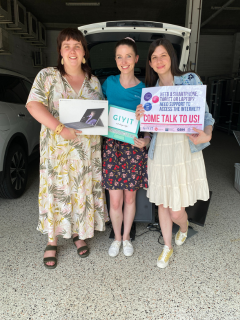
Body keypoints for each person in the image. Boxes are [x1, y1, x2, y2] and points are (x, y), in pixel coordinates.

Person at [26, 28, 108, 269]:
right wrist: (61, 129)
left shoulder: (93, 81)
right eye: (67, 46)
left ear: (84, 53)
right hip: (57, 153)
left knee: (80, 190)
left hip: (86, 153)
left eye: (77, 46)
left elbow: (99, 115)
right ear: (60, 52)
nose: (72, 50)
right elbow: (33, 105)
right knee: (57, 192)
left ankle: (78, 234)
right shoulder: (48, 76)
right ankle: (52, 240)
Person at [136, 38, 215, 268]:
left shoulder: (190, 80)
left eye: (163, 55)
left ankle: (183, 226)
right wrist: (144, 133)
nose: (159, 61)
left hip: (183, 152)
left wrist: (207, 135)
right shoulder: (150, 94)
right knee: (162, 203)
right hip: (160, 154)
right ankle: (167, 247)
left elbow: (207, 119)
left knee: (176, 210)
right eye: (154, 57)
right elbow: (151, 133)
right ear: (150, 63)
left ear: (171, 57)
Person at [102, 38, 150, 257]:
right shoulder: (108, 84)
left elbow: (151, 127)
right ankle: (117, 237)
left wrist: (146, 139)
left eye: (128, 56)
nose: (124, 61)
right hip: (111, 147)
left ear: (136, 58)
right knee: (115, 199)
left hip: (133, 148)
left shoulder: (145, 91)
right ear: (115, 59)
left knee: (130, 198)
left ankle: (128, 237)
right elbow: (96, 111)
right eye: (119, 56)